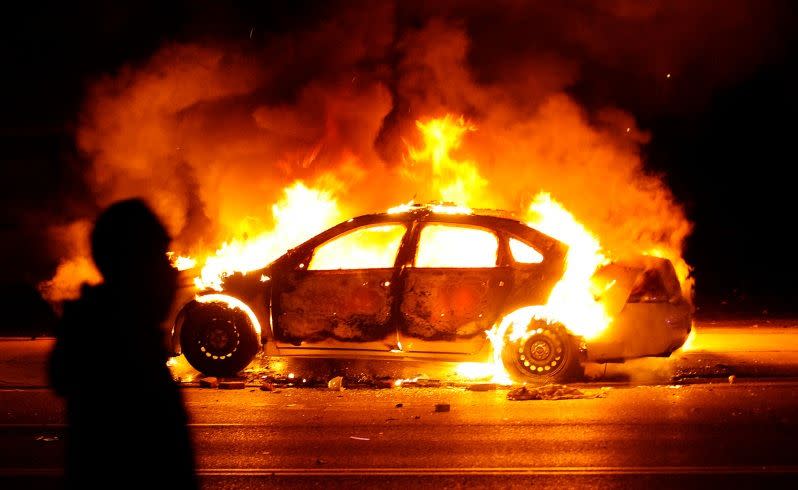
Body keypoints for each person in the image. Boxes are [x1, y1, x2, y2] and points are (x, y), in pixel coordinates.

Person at [50, 199, 197, 488]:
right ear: (134, 269)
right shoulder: (121, 356)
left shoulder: (111, 335)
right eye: (161, 259)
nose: (173, 274)